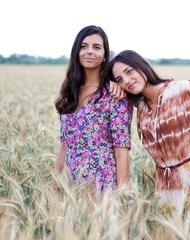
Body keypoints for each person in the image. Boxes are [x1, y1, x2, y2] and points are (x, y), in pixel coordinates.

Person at [106, 50, 190, 207]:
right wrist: (109, 83)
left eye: (129, 71)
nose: (126, 80)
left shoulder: (182, 89)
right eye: (120, 79)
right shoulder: (140, 106)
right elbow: (95, 85)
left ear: (142, 66)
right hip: (168, 189)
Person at [54, 25, 133, 194]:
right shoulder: (69, 92)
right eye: (83, 46)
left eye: (96, 47)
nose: (89, 51)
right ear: (76, 52)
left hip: (103, 186)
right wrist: (54, 186)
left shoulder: (114, 94)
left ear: (105, 56)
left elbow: (121, 152)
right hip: (70, 187)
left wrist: (122, 196)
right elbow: (64, 146)